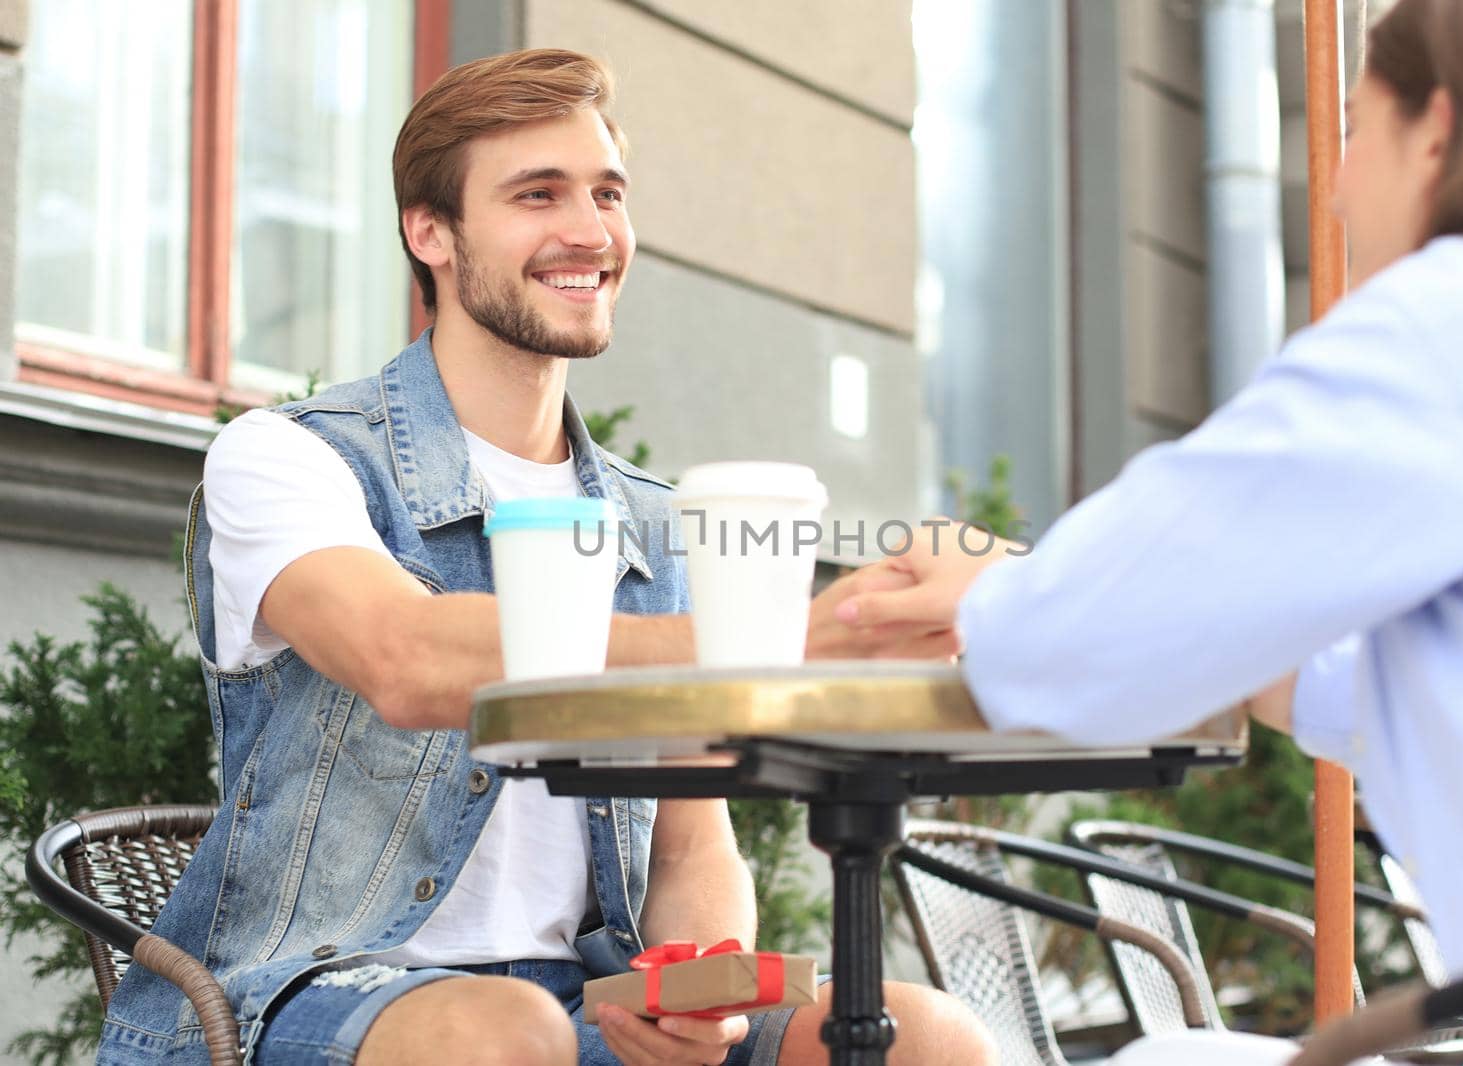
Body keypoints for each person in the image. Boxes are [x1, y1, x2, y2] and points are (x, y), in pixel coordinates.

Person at [100, 49, 992, 1066]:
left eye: (606, 193)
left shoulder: (653, 524)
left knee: (927, 1034)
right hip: (300, 993)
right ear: (427, 231)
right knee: (505, 1035)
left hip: (581, 1002)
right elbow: (407, 656)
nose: (589, 231)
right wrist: (779, 644)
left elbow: (693, 846)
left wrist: (702, 988)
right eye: (538, 194)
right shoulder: (291, 456)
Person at [823, 0, 1463, 1062]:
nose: (1331, 186)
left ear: (1438, 131)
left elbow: (1083, 644)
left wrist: (1003, 597)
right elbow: (1351, 684)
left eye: (1354, 130)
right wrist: (1037, 585)